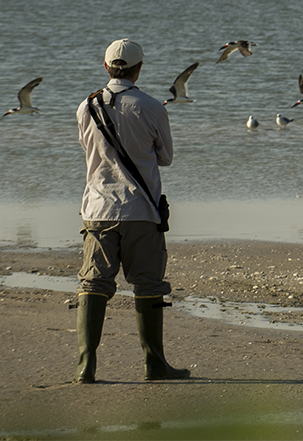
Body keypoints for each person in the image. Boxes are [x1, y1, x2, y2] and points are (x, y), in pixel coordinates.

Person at [73, 39, 189, 383]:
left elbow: (87, 150)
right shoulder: (152, 107)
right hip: (141, 209)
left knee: (93, 284)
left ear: (106, 67)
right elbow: (165, 157)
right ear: (139, 69)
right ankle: (154, 364)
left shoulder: (85, 107)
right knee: (148, 285)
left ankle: (86, 365)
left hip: (97, 208)